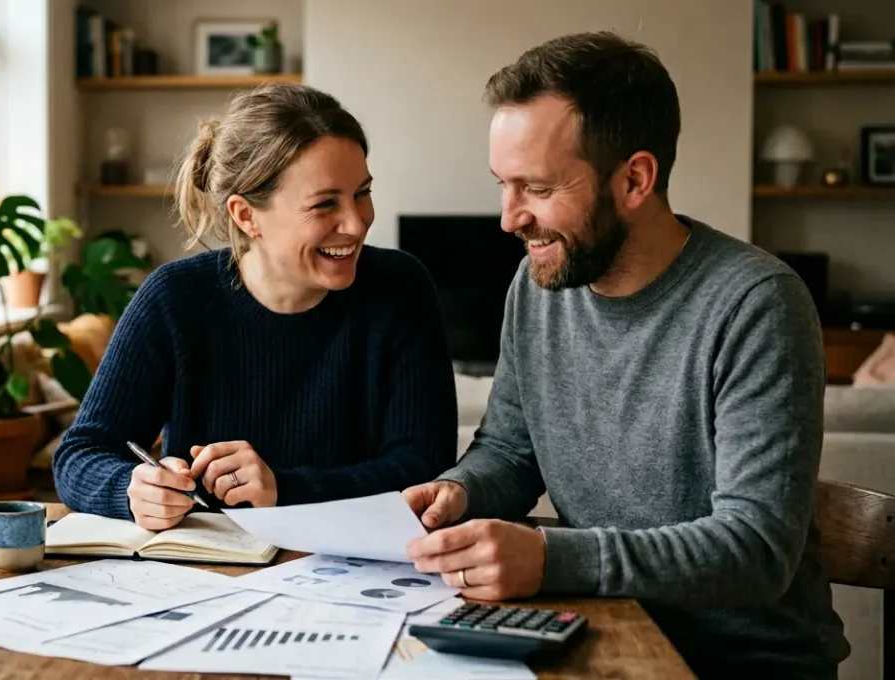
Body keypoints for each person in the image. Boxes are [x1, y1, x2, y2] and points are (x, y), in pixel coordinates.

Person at [401, 32, 848, 678]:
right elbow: (510, 451)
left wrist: (551, 557)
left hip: (738, 663)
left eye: (537, 188)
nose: (508, 219)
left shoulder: (758, 304)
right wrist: (458, 492)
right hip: (594, 631)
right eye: (503, 184)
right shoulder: (536, 287)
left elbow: (756, 550)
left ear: (635, 179)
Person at [53, 83, 459, 530]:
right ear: (246, 215)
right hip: (210, 574)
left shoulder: (400, 288)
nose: (356, 222)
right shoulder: (174, 299)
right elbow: (80, 454)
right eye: (325, 204)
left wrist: (283, 489)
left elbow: (424, 466)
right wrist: (131, 488)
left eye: (361, 193)